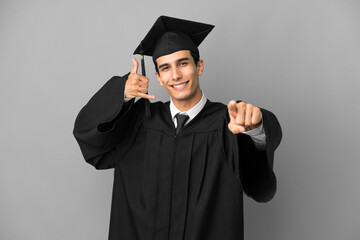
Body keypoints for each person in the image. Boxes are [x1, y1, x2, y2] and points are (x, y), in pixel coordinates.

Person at [73, 15, 282, 240]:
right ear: (159, 77)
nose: (175, 75)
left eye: (183, 63)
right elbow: (91, 139)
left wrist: (256, 128)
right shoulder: (140, 122)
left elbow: (260, 187)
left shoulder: (226, 123)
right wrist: (120, 93)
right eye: (165, 68)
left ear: (199, 66)